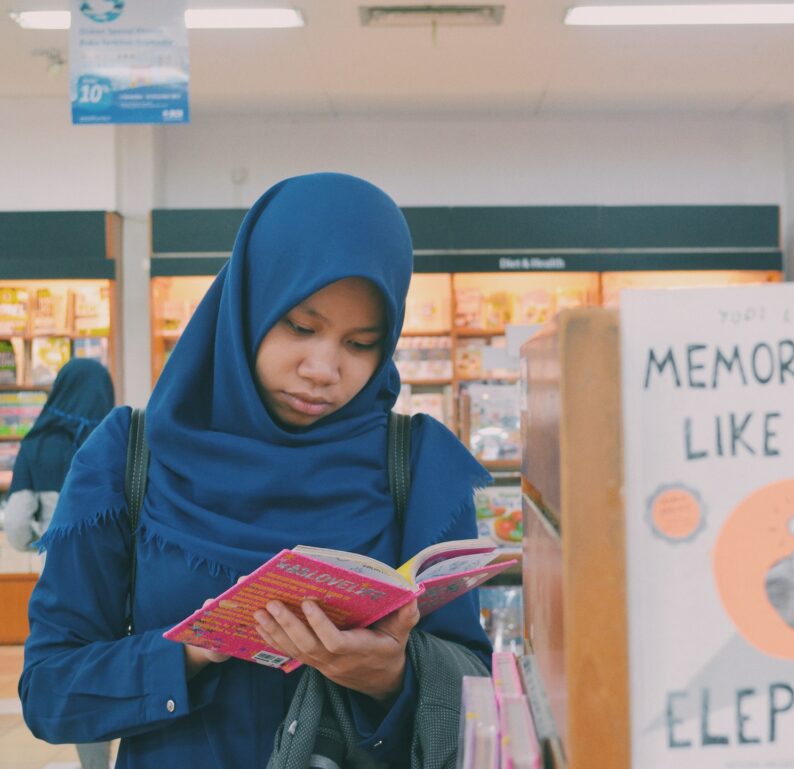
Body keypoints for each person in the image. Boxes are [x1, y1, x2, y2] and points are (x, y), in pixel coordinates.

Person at [20, 173, 493, 768]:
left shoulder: (418, 466)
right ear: (247, 303)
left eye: (360, 343)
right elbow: (48, 691)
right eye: (301, 326)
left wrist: (390, 674)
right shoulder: (129, 457)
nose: (324, 369)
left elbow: (475, 685)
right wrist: (190, 653)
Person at [3, 357, 115, 769]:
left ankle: (96, 764)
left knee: (79, 672)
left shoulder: (38, 442)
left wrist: (38, 541)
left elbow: (15, 520)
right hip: (122, 576)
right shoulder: (117, 438)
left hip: (63, 579)